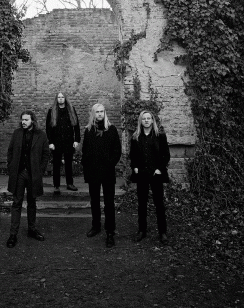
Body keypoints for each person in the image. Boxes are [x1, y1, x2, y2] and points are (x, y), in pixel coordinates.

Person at [6, 110, 49, 248]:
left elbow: (46, 154)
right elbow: (10, 151)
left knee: (32, 202)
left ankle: (32, 229)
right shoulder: (17, 133)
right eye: (22, 120)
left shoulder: (41, 135)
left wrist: (40, 171)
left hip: (33, 174)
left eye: (26, 120)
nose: (23, 122)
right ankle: (13, 234)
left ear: (32, 121)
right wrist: (11, 166)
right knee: (16, 202)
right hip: (19, 173)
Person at [81, 103, 121, 248]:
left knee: (109, 203)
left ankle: (110, 232)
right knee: (95, 201)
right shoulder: (89, 130)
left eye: (102, 111)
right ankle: (96, 226)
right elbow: (85, 151)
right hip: (93, 172)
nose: (99, 114)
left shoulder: (112, 129)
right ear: (93, 113)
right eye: (97, 112)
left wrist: (109, 164)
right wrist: (87, 168)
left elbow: (117, 151)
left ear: (105, 113)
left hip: (107, 171)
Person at [129, 110, 170, 245]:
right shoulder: (136, 137)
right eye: (144, 118)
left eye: (148, 118)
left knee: (159, 204)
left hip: (155, 174)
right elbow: (132, 156)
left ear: (152, 120)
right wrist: (135, 167)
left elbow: (166, 155)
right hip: (142, 174)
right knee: (142, 204)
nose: (146, 120)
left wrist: (159, 169)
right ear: (140, 121)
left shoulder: (160, 136)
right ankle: (142, 230)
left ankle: (162, 232)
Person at [46, 92, 81, 194]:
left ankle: (70, 183)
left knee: (68, 163)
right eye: (59, 97)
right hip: (56, 142)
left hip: (68, 141)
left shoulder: (71, 109)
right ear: (56, 99)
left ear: (65, 98)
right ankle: (56, 185)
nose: (60, 99)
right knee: (56, 164)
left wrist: (76, 140)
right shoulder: (52, 111)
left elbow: (76, 126)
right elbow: (48, 128)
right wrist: (50, 142)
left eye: (62, 97)